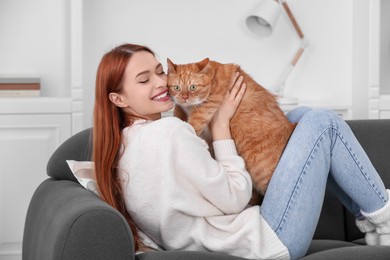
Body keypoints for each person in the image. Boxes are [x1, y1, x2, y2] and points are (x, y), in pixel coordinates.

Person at [92, 43, 390, 260]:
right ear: (118, 98)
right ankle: (386, 220)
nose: (162, 83)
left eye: (160, 72)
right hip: (268, 242)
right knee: (322, 122)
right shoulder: (170, 133)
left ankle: (374, 223)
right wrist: (220, 125)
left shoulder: (126, 145)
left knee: (298, 117)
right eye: (144, 80)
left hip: (230, 238)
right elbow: (234, 198)